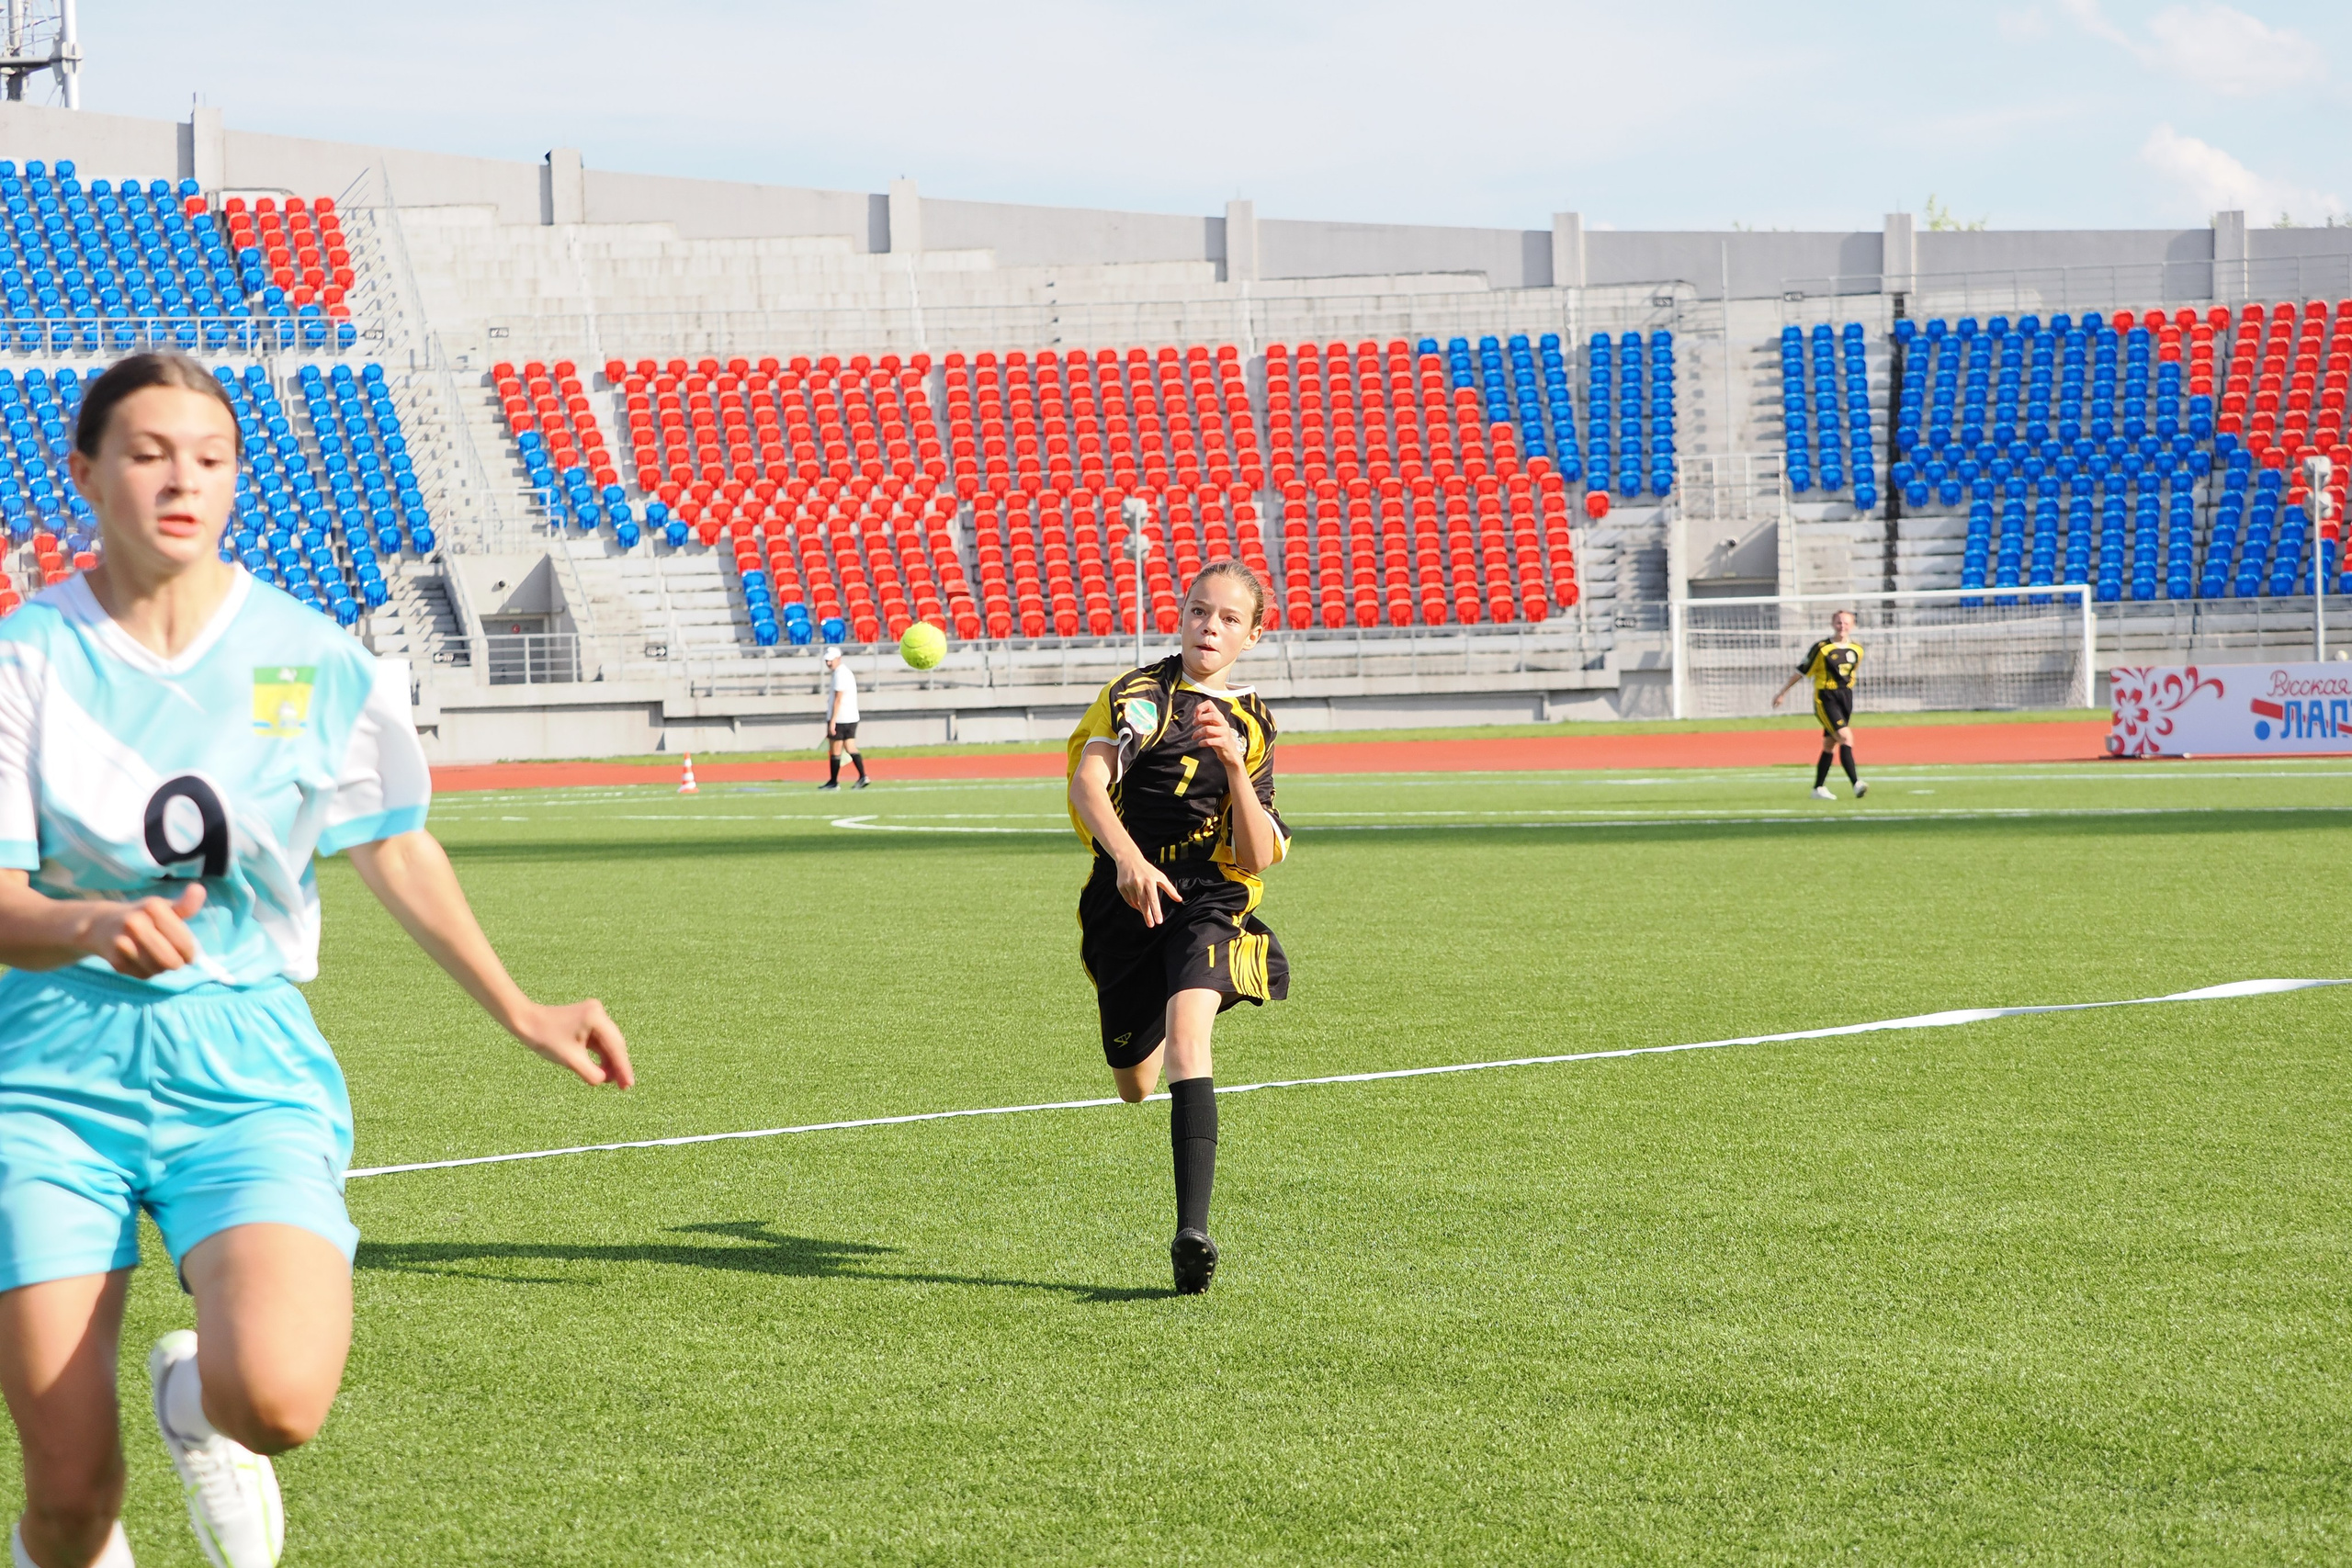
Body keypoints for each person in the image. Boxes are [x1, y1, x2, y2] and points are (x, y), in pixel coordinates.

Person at [0, 355, 633, 1568]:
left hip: (241, 1058)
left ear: (237, 479)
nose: (180, 477)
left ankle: (198, 1401)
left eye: (208, 455)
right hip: (48, 1070)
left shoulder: (312, 656)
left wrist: (520, 1006)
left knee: (279, 1399)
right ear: (84, 472)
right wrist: (87, 925)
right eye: (146, 451)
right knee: (72, 1493)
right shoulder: (25, 658)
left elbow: (389, 843)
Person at [1065, 561, 1289, 1296]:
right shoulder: (1144, 697)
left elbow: (1259, 852)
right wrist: (1126, 858)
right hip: (1128, 897)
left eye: (1228, 618)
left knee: (1193, 1029)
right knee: (1133, 1082)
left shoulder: (1253, 723)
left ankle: (1192, 1232)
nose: (1210, 627)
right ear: (1182, 616)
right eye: (1200, 611)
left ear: (1254, 635)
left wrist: (1231, 761)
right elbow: (1088, 782)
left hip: (1207, 899)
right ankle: (1152, 1006)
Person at [1771, 607, 1869, 799]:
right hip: (1826, 698)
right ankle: (1856, 783)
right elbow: (1801, 671)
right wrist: (1782, 693)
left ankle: (1818, 788)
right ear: (1833, 624)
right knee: (1846, 738)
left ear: (1852, 625)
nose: (1842, 626)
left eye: (1846, 623)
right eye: (1839, 622)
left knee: (1829, 744)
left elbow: (1851, 672)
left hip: (1845, 698)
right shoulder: (1822, 648)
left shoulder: (1857, 649)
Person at [818, 645, 867, 791]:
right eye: (827, 660)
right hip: (852, 717)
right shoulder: (846, 672)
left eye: (830, 660)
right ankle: (863, 775)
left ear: (838, 659)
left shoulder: (840, 674)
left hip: (841, 718)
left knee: (835, 750)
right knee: (850, 747)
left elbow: (838, 699)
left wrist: (832, 721)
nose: (828, 663)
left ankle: (834, 782)